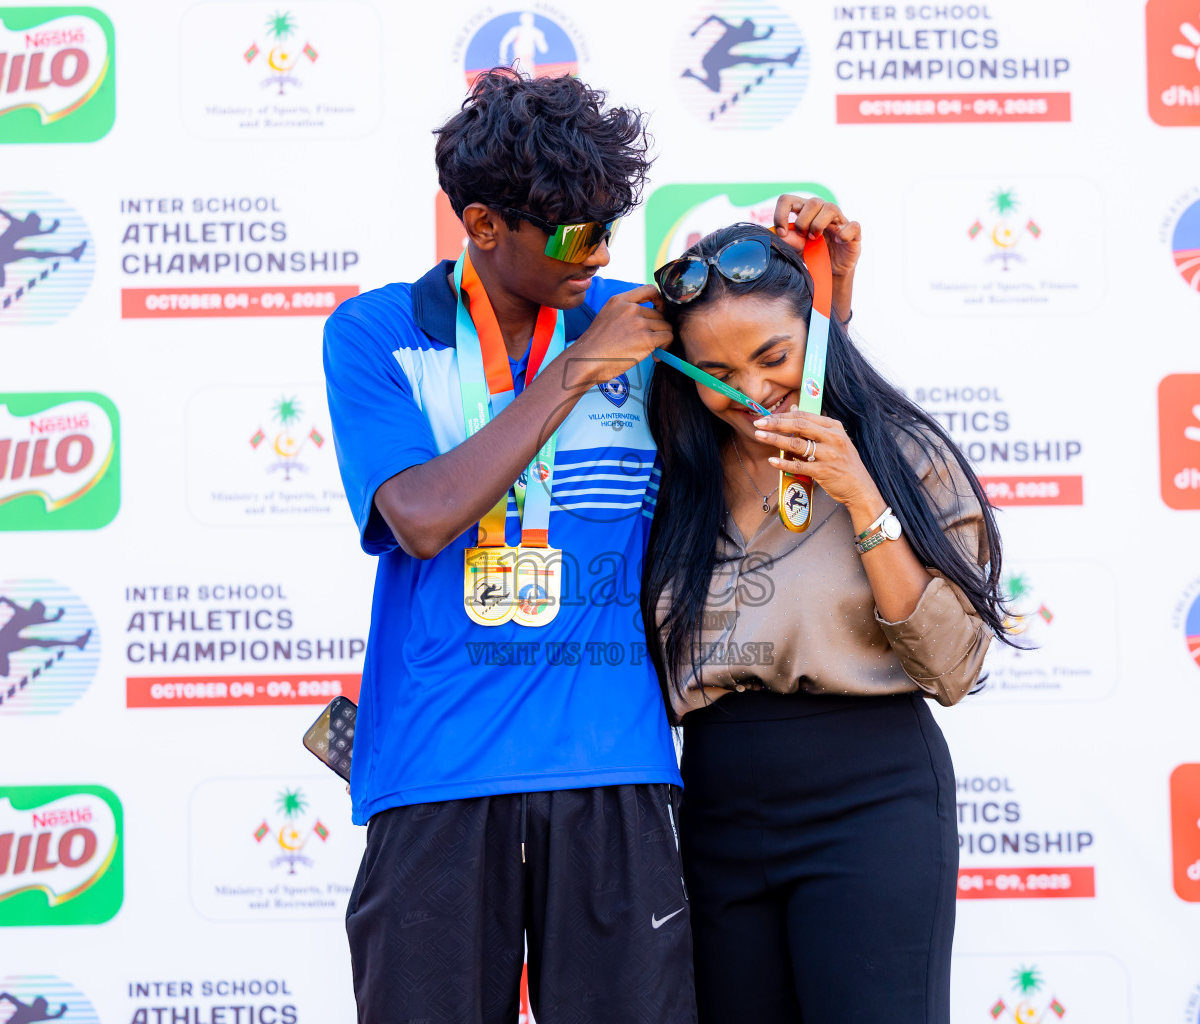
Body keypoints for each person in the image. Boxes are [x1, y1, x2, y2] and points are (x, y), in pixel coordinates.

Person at [324, 70, 821, 1023]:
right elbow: (420, 516)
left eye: (608, 228)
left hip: (614, 765)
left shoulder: (642, 321)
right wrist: (576, 371)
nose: (599, 254)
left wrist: (820, 277)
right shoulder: (379, 332)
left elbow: (779, 403)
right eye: (573, 234)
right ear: (482, 225)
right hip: (436, 766)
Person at [642, 216, 1014, 1023]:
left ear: (817, 338)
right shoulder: (672, 476)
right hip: (715, 806)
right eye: (717, 372)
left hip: (870, 798)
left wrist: (861, 495)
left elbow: (953, 666)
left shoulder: (899, 454)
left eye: (774, 356)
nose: (751, 389)